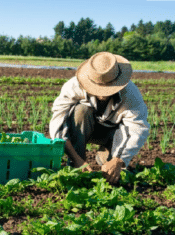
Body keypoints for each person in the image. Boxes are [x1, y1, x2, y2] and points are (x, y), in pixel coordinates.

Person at [49, 51, 150, 184]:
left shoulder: (131, 94)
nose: (102, 93)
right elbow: (59, 125)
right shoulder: (73, 86)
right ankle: (76, 165)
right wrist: (77, 160)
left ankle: (106, 156)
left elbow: (136, 128)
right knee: (81, 110)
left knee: (110, 171)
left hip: (112, 133)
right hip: (83, 128)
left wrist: (118, 160)